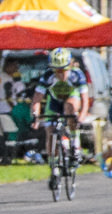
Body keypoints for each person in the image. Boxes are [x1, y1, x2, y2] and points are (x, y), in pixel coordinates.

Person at [30, 48, 89, 179]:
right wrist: (35, 117)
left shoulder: (77, 75)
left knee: (70, 107)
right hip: (54, 102)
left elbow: (85, 99)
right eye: (57, 70)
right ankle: (54, 167)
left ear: (70, 66)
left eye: (64, 69)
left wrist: (81, 117)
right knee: (50, 133)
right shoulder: (47, 76)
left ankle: (75, 144)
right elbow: (37, 99)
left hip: (72, 98)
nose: (61, 74)